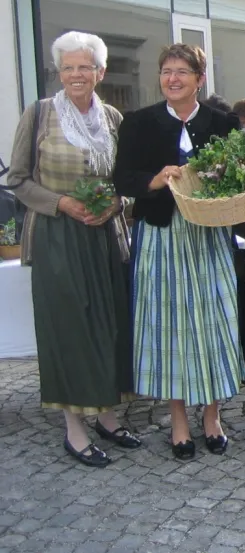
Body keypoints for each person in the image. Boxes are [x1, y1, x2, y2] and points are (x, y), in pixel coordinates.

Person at [6, 31, 138, 467]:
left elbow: (127, 180)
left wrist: (117, 202)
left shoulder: (114, 118)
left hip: (104, 235)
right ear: (58, 72)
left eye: (85, 67)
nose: (76, 75)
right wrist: (62, 202)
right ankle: (74, 428)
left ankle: (106, 414)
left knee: (108, 323)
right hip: (56, 236)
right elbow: (17, 180)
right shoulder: (40, 114)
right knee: (66, 328)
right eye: (68, 67)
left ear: (100, 72)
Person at [113, 44, 244, 460]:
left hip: (208, 236)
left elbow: (240, 178)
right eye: (166, 71)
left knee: (212, 320)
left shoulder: (223, 123)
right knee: (168, 326)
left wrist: (215, 182)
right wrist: (156, 179)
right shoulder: (138, 123)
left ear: (199, 79)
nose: (173, 79)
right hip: (161, 234)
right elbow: (123, 178)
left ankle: (212, 415)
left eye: (182, 72)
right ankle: (178, 421)